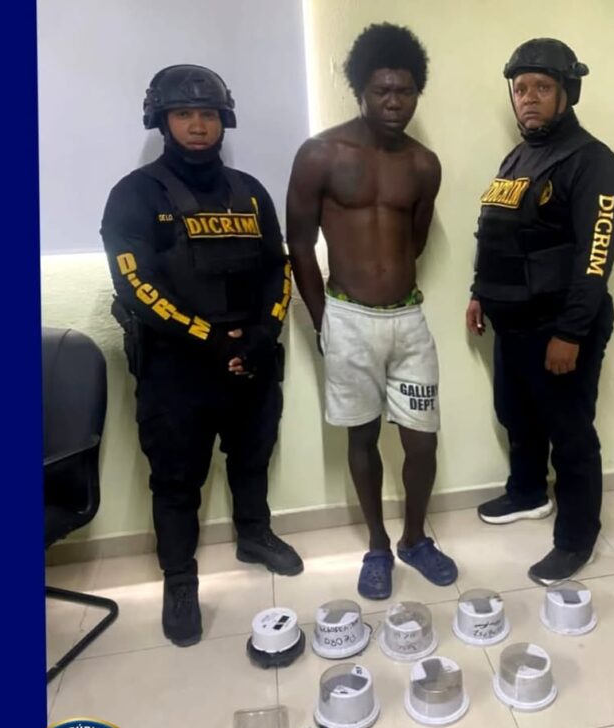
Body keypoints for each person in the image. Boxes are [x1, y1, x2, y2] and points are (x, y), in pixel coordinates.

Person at [101, 64, 303, 647]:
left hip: (250, 360)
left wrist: (262, 334)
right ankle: (180, 582)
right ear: (161, 121)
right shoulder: (134, 195)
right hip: (177, 369)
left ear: (223, 120)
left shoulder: (250, 191)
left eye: (208, 114)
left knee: (252, 458)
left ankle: (254, 536)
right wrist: (210, 340)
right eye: (184, 114)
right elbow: (135, 286)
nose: (197, 125)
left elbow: (278, 268)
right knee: (175, 481)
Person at [287, 23, 457, 600]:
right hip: (348, 319)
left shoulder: (425, 165)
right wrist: (324, 321)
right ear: (359, 89)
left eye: (405, 92)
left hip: (408, 321)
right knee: (361, 438)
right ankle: (378, 546)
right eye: (382, 91)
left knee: (422, 440)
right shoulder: (320, 154)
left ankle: (415, 539)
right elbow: (299, 244)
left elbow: (415, 241)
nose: (394, 102)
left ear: (417, 92)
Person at [466, 38, 614, 584]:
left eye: (542, 87)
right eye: (520, 88)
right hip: (512, 320)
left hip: (560, 324)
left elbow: (595, 257)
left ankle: (577, 538)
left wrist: (571, 333)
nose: (528, 98)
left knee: (570, 433)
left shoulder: (592, 161)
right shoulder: (517, 157)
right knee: (517, 414)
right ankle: (529, 493)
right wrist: (478, 291)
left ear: (566, 93)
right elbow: (495, 231)